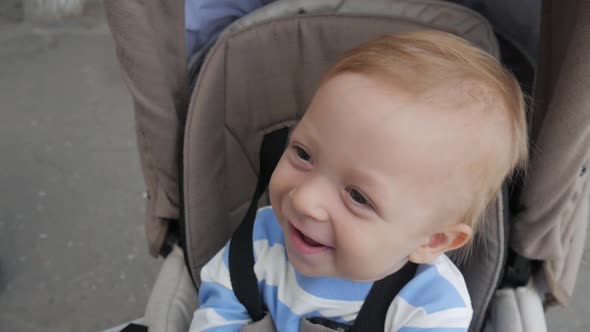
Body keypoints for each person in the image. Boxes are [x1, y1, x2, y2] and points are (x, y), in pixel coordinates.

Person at [189, 30, 528, 331]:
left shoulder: (431, 307)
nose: (305, 200)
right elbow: (219, 309)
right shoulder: (260, 241)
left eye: (358, 196)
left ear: (432, 239)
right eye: (304, 154)